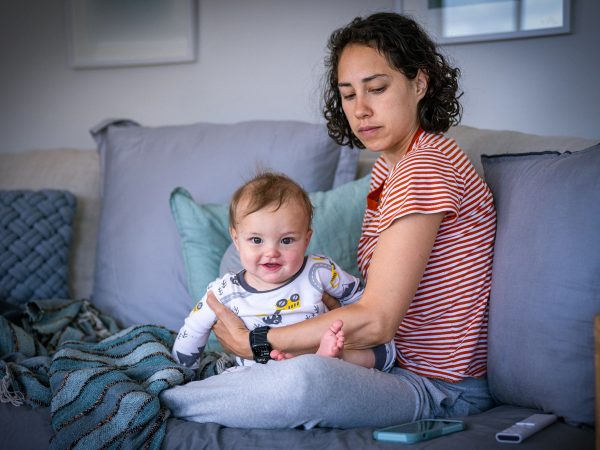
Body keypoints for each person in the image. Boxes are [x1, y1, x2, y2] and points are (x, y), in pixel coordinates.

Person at [160, 12, 497, 429]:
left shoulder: (424, 165)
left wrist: (255, 344)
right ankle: (212, 381)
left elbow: (377, 320)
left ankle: (167, 402)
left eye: (377, 88)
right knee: (247, 255)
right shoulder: (386, 171)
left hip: (437, 387)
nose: (362, 110)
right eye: (349, 94)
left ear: (420, 84)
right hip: (382, 361)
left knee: (304, 382)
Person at [172, 171, 396, 372]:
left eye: (287, 240)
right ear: (236, 240)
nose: (271, 252)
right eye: (256, 240)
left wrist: (342, 332)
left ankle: (330, 359)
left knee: (384, 353)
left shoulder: (319, 271)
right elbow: (193, 329)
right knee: (237, 375)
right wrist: (183, 371)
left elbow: (362, 300)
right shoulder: (224, 290)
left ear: (306, 240)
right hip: (258, 372)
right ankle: (315, 364)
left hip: (318, 356)